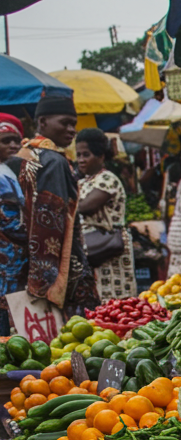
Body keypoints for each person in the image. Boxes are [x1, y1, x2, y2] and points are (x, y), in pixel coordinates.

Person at [15, 94, 98, 317]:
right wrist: (49, 281)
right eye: (65, 123)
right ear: (42, 122)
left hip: (23, 263)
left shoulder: (24, 154)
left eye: (74, 124)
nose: (72, 130)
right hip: (55, 266)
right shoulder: (54, 160)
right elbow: (51, 221)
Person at [75, 128, 136, 302]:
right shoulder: (82, 181)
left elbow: (85, 206)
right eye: (78, 155)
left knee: (114, 299)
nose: (80, 160)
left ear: (100, 156)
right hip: (91, 247)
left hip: (108, 245)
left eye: (86, 155)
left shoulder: (107, 179)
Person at [0, 113, 25, 332]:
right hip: (6, 255)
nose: (13, 145)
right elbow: (8, 219)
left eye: (16, 140)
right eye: (5, 141)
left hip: (13, 257)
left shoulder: (9, 170)